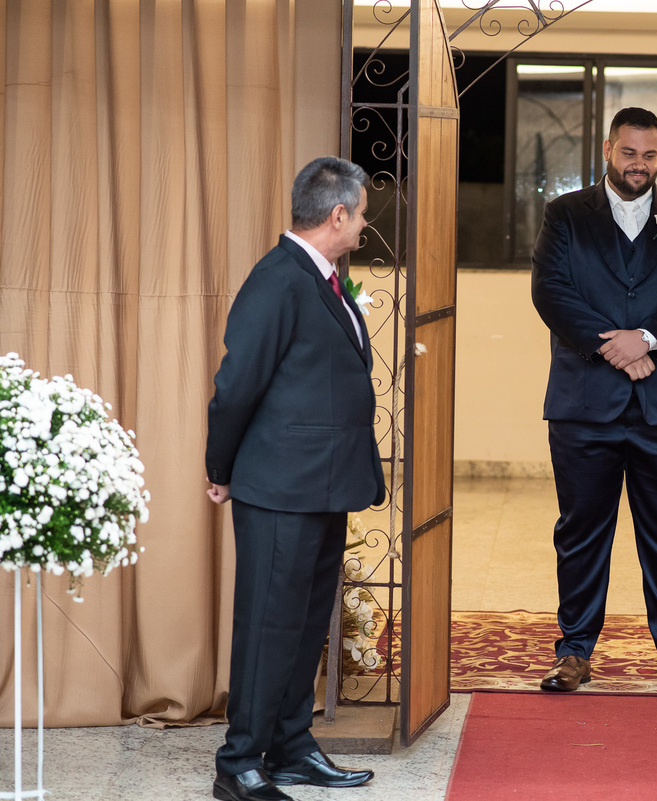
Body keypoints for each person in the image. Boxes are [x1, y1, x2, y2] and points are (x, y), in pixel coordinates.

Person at [205, 157, 385, 801]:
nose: (365, 225)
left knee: (307, 623)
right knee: (267, 624)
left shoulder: (326, 279)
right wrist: (220, 469)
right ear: (337, 215)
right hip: (278, 487)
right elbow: (236, 387)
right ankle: (240, 762)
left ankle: (290, 747)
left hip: (323, 486)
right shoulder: (278, 279)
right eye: (361, 213)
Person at [531, 107, 657, 694]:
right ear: (608, 149)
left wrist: (646, 340)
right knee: (581, 529)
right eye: (628, 153)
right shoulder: (565, 215)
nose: (638, 165)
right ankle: (574, 652)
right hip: (583, 404)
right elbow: (550, 291)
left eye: (649, 155)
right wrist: (611, 347)